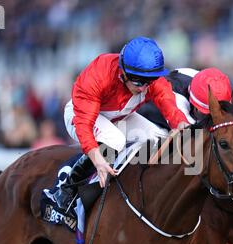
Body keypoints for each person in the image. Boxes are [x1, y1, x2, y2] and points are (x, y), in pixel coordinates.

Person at [55, 36, 189, 210]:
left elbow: (167, 102)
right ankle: (68, 188)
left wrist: (181, 124)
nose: (143, 88)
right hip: (79, 115)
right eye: (138, 82)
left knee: (157, 137)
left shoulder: (150, 79)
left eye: (148, 82)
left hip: (118, 118)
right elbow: (84, 124)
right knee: (114, 140)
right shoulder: (99, 73)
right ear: (123, 71)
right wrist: (97, 159)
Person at [137, 67, 232, 129]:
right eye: (207, 115)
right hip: (146, 118)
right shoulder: (179, 102)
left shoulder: (201, 78)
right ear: (195, 106)